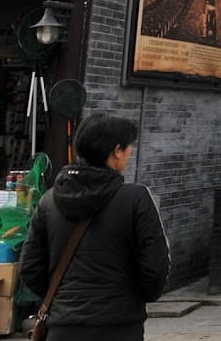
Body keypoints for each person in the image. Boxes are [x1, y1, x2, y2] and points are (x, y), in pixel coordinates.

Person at [18, 113, 170, 341]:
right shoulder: (135, 199)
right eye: (128, 147)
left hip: (63, 327)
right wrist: (132, 299)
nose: (130, 153)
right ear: (116, 151)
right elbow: (155, 269)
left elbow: (29, 267)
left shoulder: (49, 201)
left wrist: (61, 297)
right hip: (120, 326)